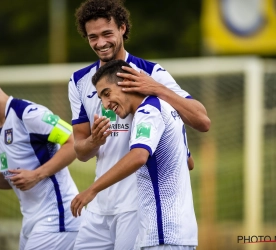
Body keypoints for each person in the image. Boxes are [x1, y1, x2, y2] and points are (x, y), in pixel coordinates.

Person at [69, 0, 210, 249]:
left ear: (122, 28)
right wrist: (93, 141)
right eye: (93, 37)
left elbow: (201, 120)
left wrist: (156, 87)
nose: (100, 43)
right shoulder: (81, 81)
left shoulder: (150, 73)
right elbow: (80, 151)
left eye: (106, 33)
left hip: (139, 207)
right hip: (99, 204)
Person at [71, 59, 198, 250]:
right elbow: (189, 162)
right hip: (179, 231)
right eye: (101, 98)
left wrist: (92, 190)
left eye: (107, 94)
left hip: (163, 233)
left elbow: (139, 156)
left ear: (126, 83)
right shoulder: (169, 109)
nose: (105, 105)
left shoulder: (148, 111)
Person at [0, 59, 82, 250]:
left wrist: (37, 175)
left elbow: (72, 142)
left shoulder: (28, 114)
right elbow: (15, 178)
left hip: (58, 218)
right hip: (32, 222)